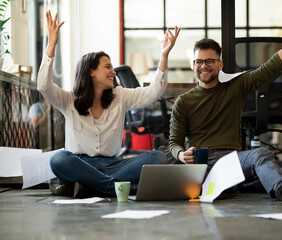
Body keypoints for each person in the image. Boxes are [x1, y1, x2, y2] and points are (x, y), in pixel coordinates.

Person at [168, 11, 282, 201]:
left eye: (210, 61)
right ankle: (254, 183)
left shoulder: (236, 86)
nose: (204, 66)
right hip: (201, 163)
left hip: (232, 160)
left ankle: (278, 186)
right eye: (199, 61)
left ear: (220, 64)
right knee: (205, 180)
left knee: (260, 154)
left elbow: (272, 66)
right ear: (193, 65)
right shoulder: (183, 101)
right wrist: (181, 154)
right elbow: (174, 142)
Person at [39, 11, 180, 198]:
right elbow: (43, 86)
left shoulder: (119, 96)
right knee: (58, 159)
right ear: (91, 72)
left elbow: (153, 92)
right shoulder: (69, 100)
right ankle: (115, 188)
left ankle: (89, 187)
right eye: (107, 67)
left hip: (113, 165)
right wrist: (51, 45)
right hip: (80, 165)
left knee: (159, 157)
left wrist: (163, 56)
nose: (113, 72)